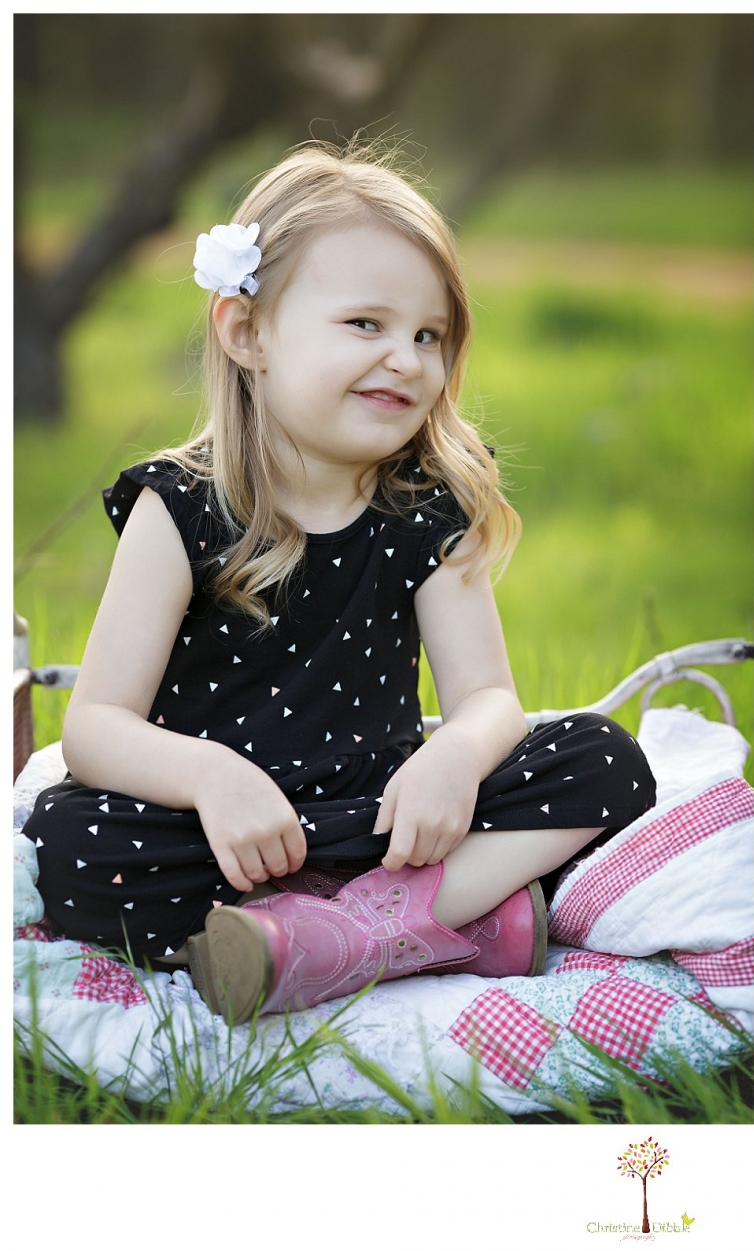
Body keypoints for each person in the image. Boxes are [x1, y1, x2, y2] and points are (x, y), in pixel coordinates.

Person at [24, 141, 656, 1025]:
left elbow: (488, 699)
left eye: (428, 335)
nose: (406, 358)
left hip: (383, 822)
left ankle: (345, 936)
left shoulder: (424, 507)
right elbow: (94, 727)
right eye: (366, 324)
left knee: (604, 759)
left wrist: (453, 757)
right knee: (69, 845)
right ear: (247, 333)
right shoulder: (181, 508)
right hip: (227, 832)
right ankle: (458, 921)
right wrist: (210, 778)